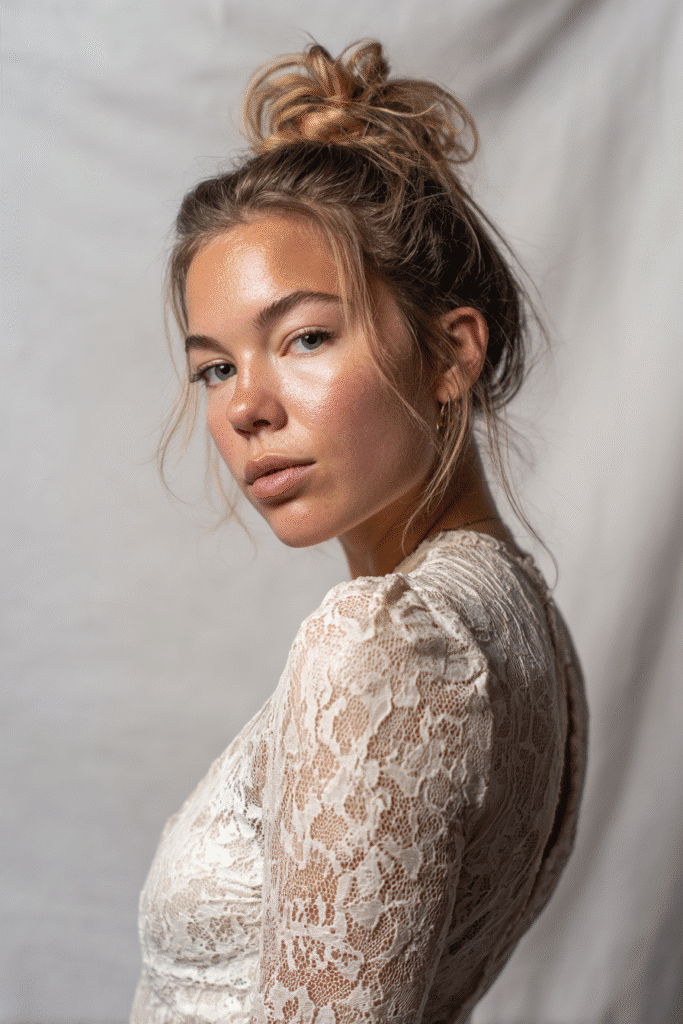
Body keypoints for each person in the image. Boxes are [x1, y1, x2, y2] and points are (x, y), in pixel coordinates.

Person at [131, 39, 588, 1024]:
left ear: (450, 353)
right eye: (215, 367)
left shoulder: (387, 641)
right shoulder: (513, 617)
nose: (246, 406)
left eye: (303, 337)